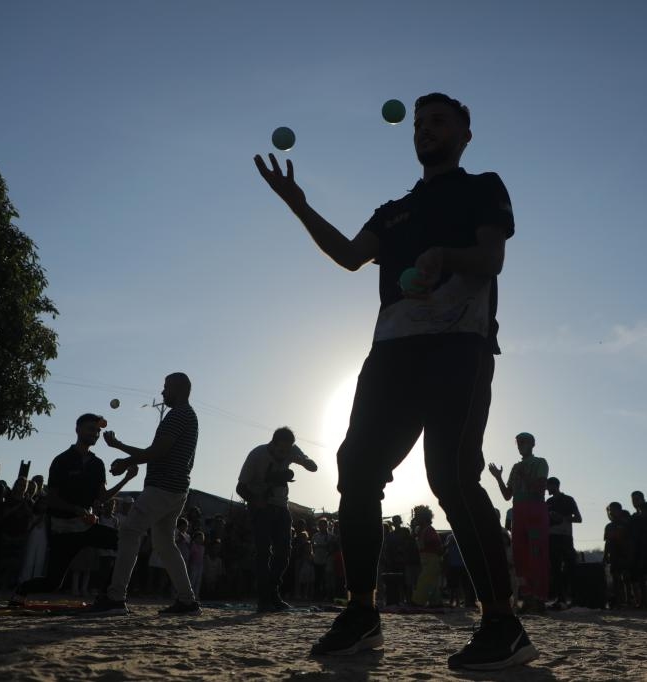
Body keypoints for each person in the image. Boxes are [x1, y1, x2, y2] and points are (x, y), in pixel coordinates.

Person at [254, 92, 535, 670]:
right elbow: (350, 255)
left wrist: (441, 254)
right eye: (419, 124)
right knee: (356, 466)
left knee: (451, 475)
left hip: (460, 345)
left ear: (465, 133)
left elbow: (490, 260)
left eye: (439, 122)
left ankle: (503, 622)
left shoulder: (483, 186)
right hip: (391, 354)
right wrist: (298, 204)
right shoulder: (393, 211)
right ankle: (361, 614)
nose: (425, 131)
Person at [91, 372, 201, 615]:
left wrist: (122, 452)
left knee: (130, 531)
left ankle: (116, 597)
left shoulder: (179, 415)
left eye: (167, 387)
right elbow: (159, 452)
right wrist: (125, 455)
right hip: (176, 489)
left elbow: (157, 451)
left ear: (180, 389)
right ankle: (187, 601)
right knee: (165, 545)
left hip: (162, 487)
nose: (162, 392)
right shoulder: (187, 416)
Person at [9, 414, 137, 605]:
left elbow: (101, 497)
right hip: (63, 528)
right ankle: (21, 591)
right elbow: (51, 498)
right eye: (91, 429)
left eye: (97, 431)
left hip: (86, 526)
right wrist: (75, 509)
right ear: (78, 430)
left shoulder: (97, 464)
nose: (95, 434)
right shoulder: (62, 460)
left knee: (124, 543)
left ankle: (109, 595)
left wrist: (127, 479)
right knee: (52, 583)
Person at [236, 426, 318, 611]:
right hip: (261, 507)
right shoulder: (257, 456)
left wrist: (307, 463)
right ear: (272, 444)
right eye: (281, 450)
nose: (284, 454)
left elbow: (306, 461)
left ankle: (273, 593)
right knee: (263, 553)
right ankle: (264, 598)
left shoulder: (291, 450)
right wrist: (257, 501)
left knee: (284, 552)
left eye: (287, 451)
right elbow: (240, 488)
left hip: (281, 507)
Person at [489, 432, 550, 614]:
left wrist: (524, 474)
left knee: (536, 553)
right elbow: (508, 495)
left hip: (535, 510)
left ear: (532, 444)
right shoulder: (515, 468)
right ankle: (526, 597)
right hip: (519, 512)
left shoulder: (540, 462)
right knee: (520, 554)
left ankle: (539, 598)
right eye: (518, 443)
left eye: (524, 442)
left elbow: (539, 488)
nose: (521, 445)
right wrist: (498, 477)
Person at [545, 477, 581, 608]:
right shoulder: (548, 501)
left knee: (570, 567)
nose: (546, 489)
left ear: (555, 485)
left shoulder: (568, 500)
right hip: (551, 537)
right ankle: (560, 598)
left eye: (548, 486)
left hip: (565, 537)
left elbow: (578, 518)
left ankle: (574, 598)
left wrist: (562, 518)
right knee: (555, 569)